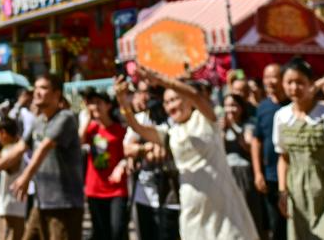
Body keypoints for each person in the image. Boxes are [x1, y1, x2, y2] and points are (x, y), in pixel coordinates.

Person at [116, 69, 258, 239]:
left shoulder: (207, 119)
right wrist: (123, 102)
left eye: (175, 99)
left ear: (188, 100)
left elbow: (196, 96)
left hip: (223, 204)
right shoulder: (170, 133)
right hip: (193, 206)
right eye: (167, 102)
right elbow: (138, 128)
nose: (171, 105)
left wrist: (163, 80)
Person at [0, 74, 85, 240]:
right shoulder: (39, 121)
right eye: (35, 88)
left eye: (43, 88)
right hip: (41, 203)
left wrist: (25, 176)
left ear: (57, 94)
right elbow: (20, 147)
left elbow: (44, 147)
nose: (37, 92)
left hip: (65, 205)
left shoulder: (65, 118)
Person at [273, 58, 324, 239]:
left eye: (300, 82)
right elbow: (284, 157)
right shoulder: (281, 117)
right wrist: (282, 191)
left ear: (311, 84)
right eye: (289, 82)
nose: (294, 88)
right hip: (296, 194)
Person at [123, 80, 180, 240]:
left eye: (152, 93)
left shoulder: (175, 120)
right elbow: (128, 148)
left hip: (172, 194)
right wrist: (146, 148)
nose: (147, 97)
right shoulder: (141, 119)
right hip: (145, 194)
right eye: (143, 92)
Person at [80, 88, 129, 240]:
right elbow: (78, 141)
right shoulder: (90, 129)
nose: (95, 106)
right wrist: (87, 119)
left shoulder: (120, 130)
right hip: (94, 189)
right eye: (92, 103)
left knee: (117, 231)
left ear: (108, 105)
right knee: (100, 234)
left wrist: (121, 166)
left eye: (99, 103)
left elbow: (128, 155)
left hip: (116, 190)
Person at [252, 62, 287, 240]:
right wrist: (258, 173)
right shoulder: (263, 107)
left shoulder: (293, 105)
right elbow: (256, 140)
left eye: (274, 76)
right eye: (266, 77)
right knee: (277, 226)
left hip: (293, 175)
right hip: (271, 176)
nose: (270, 81)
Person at [221, 92, 264, 233]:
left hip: (243, 172)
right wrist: (222, 130)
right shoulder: (220, 126)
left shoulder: (248, 124)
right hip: (226, 172)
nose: (230, 110)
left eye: (233, 105)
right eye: (227, 106)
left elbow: (247, 145)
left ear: (241, 108)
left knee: (247, 210)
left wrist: (232, 127)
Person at [0, 117, 27, 240]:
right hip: (9, 202)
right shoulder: (12, 148)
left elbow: (7, 169)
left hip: (12, 204)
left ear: (3, 133)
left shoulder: (14, 150)